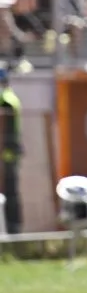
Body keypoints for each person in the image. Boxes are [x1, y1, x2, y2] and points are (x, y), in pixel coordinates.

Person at [0, 67, 22, 234]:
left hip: (6, 153)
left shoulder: (6, 98)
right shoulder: (10, 96)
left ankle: (13, 228)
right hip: (10, 152)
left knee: (10, 192)